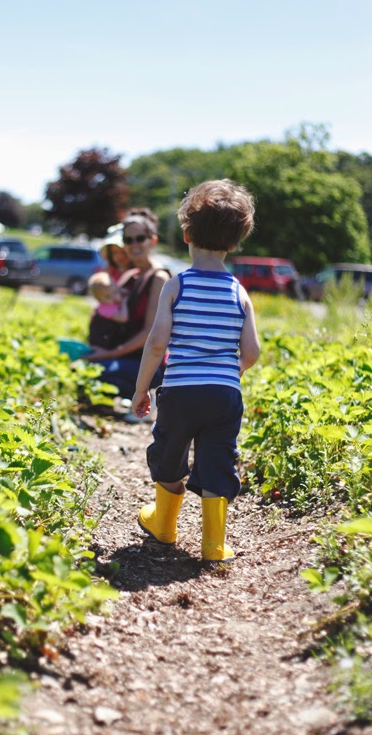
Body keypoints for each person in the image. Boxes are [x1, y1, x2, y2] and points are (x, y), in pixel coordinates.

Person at [131, 180, 261, 562]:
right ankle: (213, 545)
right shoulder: (239, 291)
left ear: (186, 234)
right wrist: (228, 373)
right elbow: (252, 352)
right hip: (224, 394)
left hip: (181, 391)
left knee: (170, 452)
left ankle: (164, 525)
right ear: (235, 243)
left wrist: (142, 389)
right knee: (218, 459)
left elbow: (156, 343)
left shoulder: (177, 286)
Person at [86, 209, 171, 418]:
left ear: (152, 240)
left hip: (150, 367)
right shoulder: (131, 276)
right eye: (128, 239)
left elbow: (149, 334)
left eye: (140, 238)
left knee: (95, 372)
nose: (134, 244)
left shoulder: (159, 277)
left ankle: (147, 400)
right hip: (130, 359)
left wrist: (107, 354)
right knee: (83, 366)